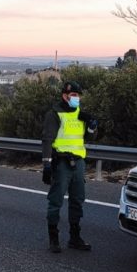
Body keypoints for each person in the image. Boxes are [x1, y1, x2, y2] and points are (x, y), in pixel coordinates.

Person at [41, 80, 98, 253]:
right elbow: (47, 139)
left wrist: (92, 127)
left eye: (78, 95)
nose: (77, 98)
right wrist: (47, 164)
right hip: (62, 163)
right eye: (74, 95)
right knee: (56, 200)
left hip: (78, 163)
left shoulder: (80, 114)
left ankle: (75, 238)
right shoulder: (54, 114)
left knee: (77, 200)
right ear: (65, 96)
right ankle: (54, 238)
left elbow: (89, 139)